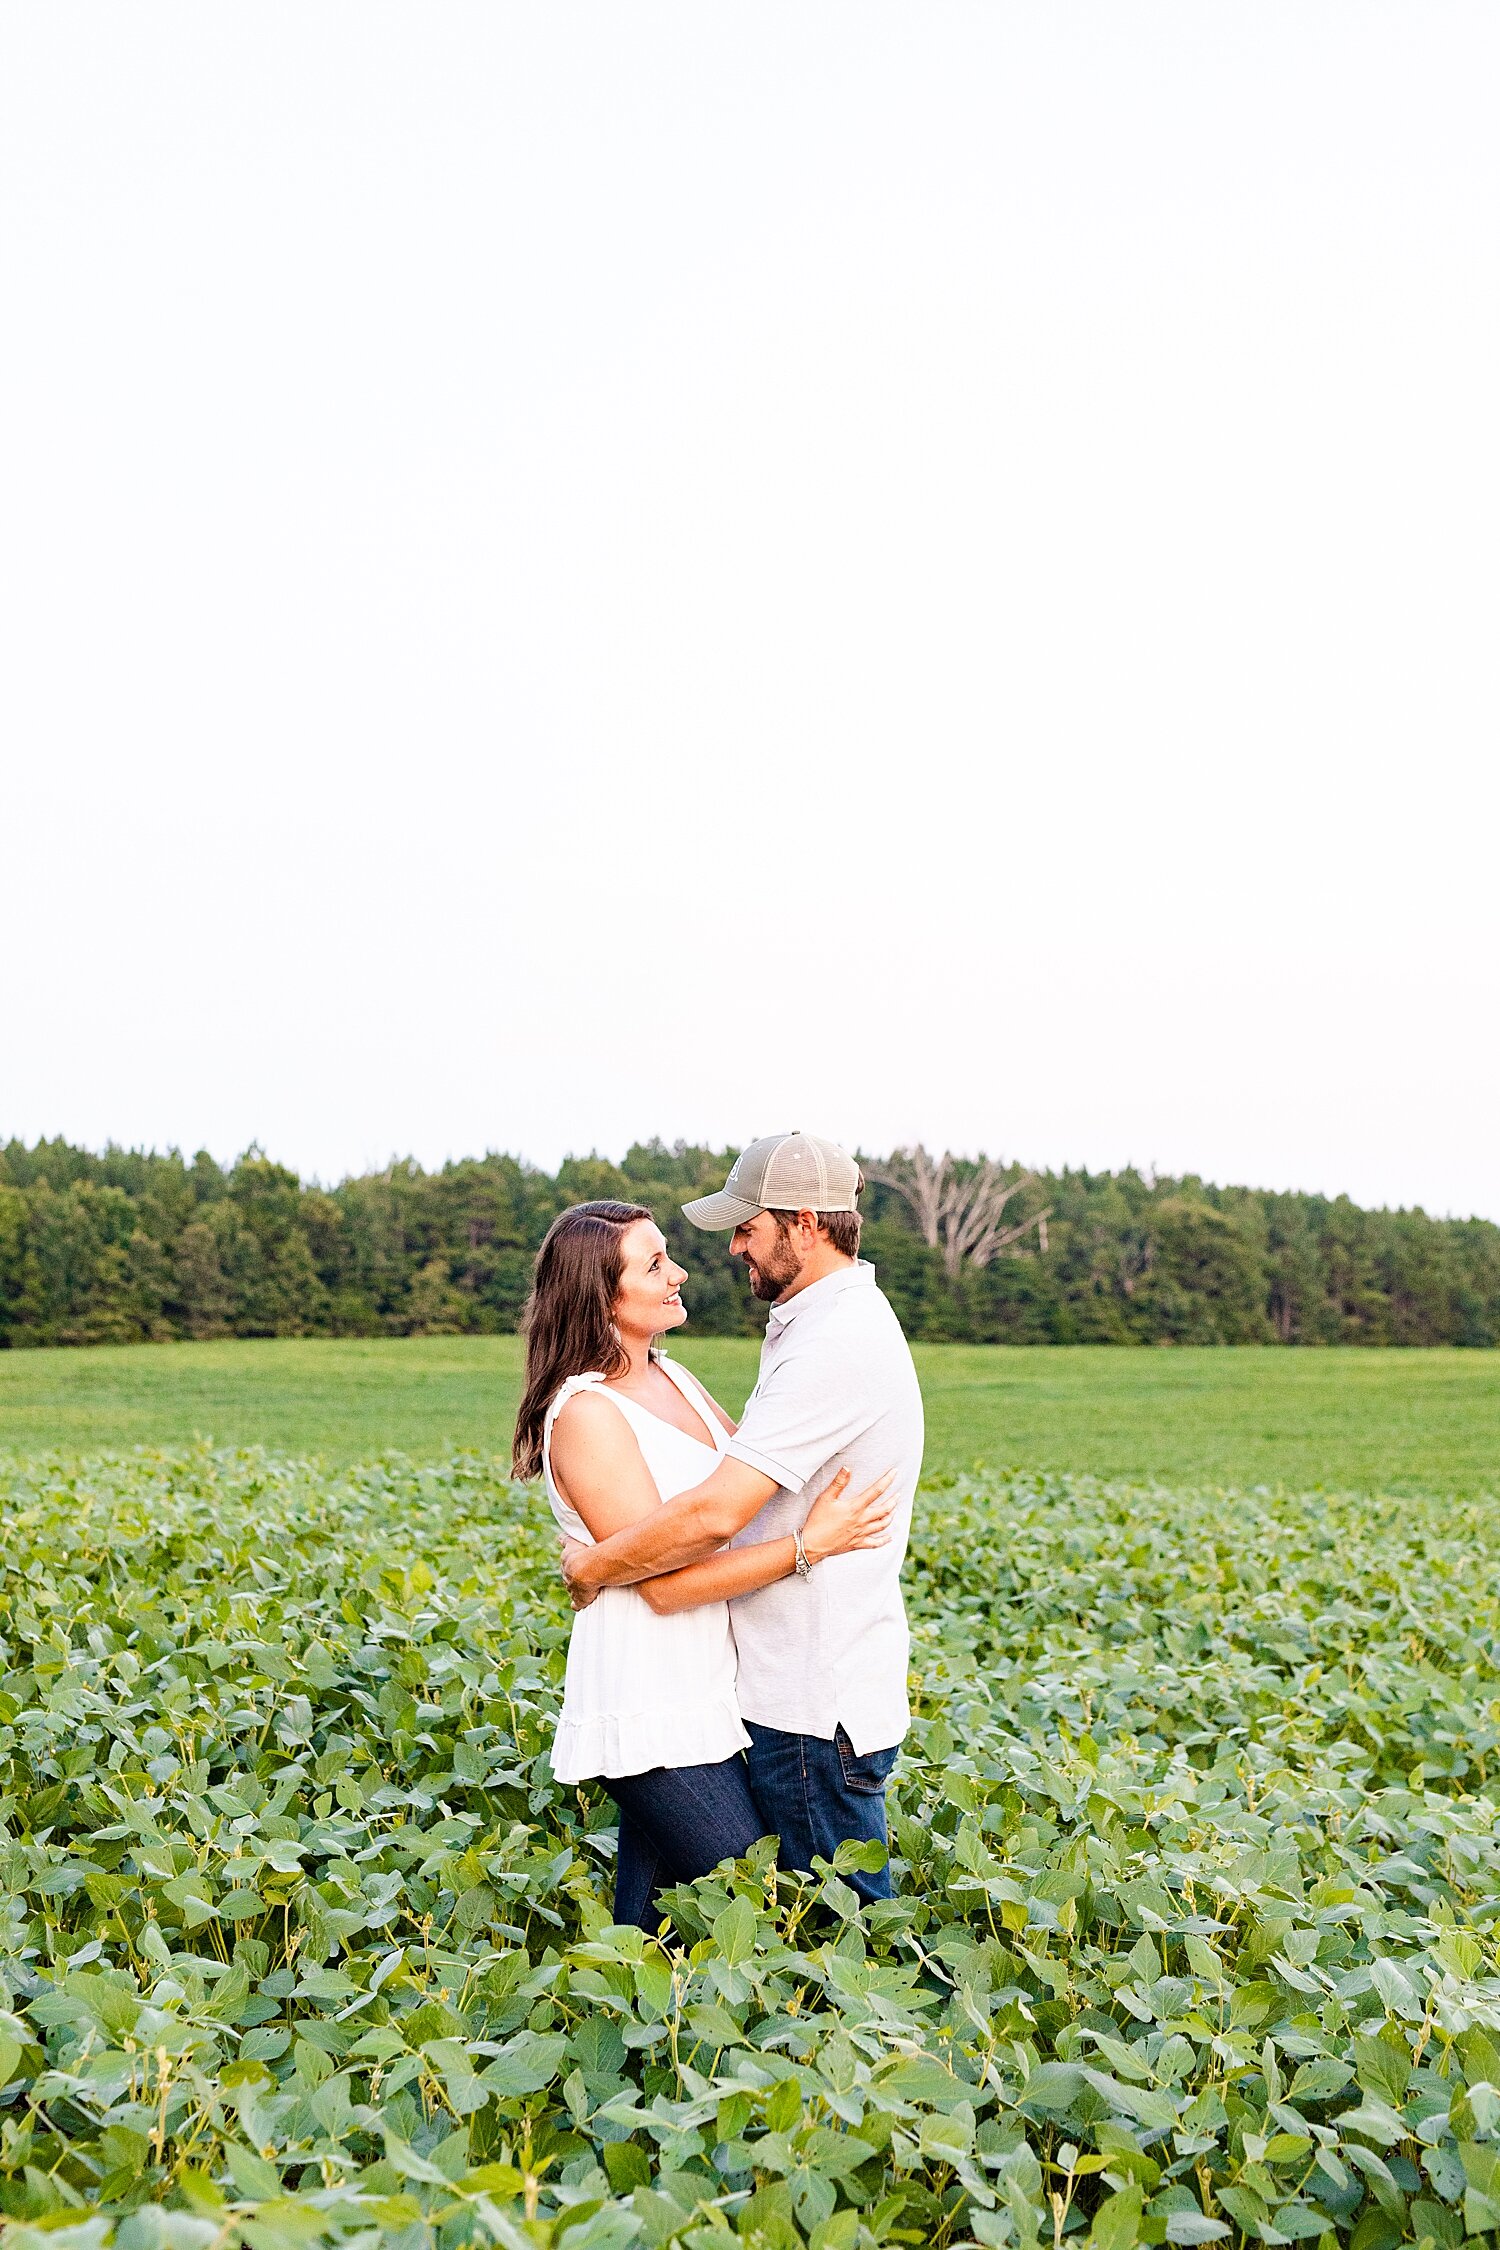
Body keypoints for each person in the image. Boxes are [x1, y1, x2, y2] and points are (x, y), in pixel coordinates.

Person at [512, 1198, 897, 1930]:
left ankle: (622, 2037)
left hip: (707, 1693)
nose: (679, 1272)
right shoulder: (587, 1414)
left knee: (653, 1932)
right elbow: (666, 1589)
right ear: (602, 1294)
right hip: (651, 1704)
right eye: (654, 1264)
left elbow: (744, 1492)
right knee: (765, 1904)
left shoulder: (675, 1378)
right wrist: (810, 1545)